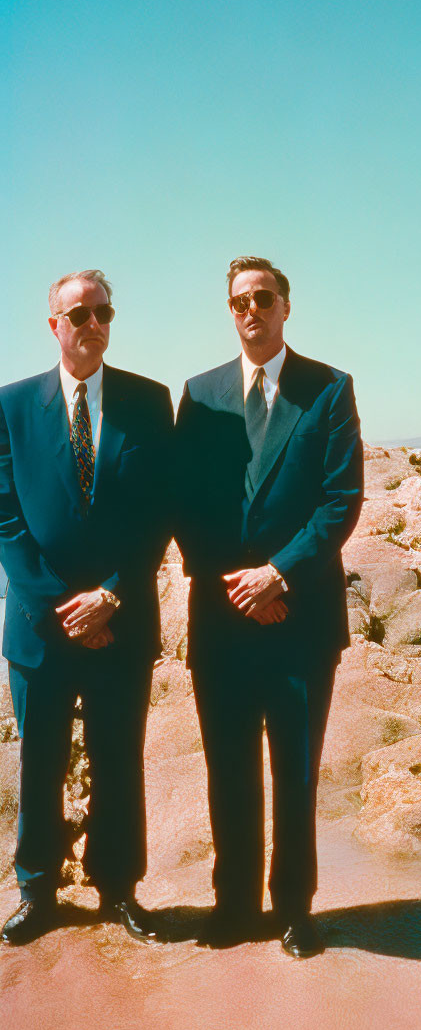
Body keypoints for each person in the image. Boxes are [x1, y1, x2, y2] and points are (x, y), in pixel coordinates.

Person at [175, 256, 363, 958]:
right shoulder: (200, 394)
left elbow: (341, 501)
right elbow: (185, 504)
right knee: (227, 765)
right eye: (238, 301)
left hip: (302, 618)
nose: (250, 310)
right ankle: (232, 906)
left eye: (263, 298)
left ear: (286, 307)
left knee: (295, 768)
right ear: (230, 312)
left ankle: (294, 910)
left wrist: (278, 576)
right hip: (222, 618)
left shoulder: (329, 390)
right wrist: (239, 585)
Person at [0, 270, 174, 945]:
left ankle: (119, 890)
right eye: (78, 315)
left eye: (103, 312)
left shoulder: (148, 402)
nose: (92, 324)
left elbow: (158, 513)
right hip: (39, 626)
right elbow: (7, 520)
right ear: (54, 326)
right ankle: (36, 892)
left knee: (118, 756)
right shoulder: (11, 406)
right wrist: (61, 608)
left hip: (120, 618)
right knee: (39, 760)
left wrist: (110, 596)